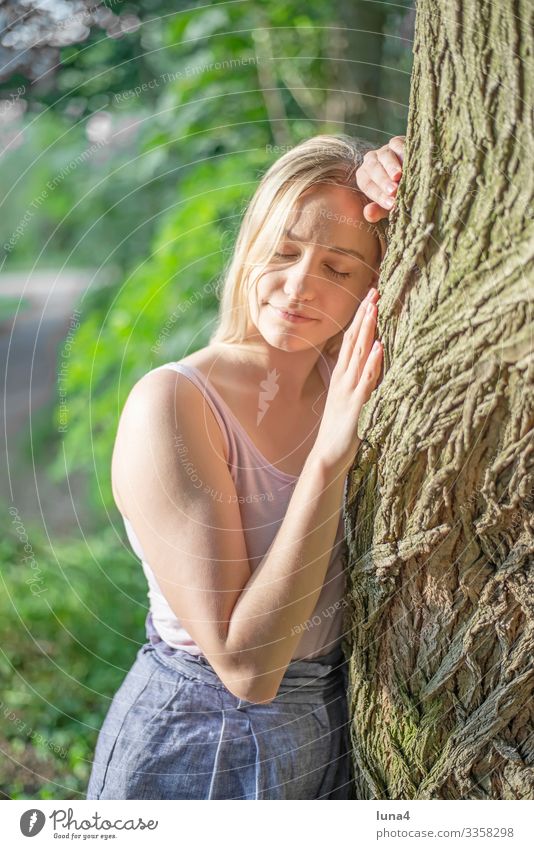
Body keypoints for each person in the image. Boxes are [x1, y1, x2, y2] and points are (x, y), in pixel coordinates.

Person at [86, 134, 406, 800]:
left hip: (340, 729)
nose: (298, 286)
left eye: (339, 268)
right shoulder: (174, 404)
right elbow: (248, 668)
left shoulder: (361, 380)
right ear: (251, 247)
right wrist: (327, 458)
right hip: (201, 743)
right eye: (284, 253)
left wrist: (413, 165)